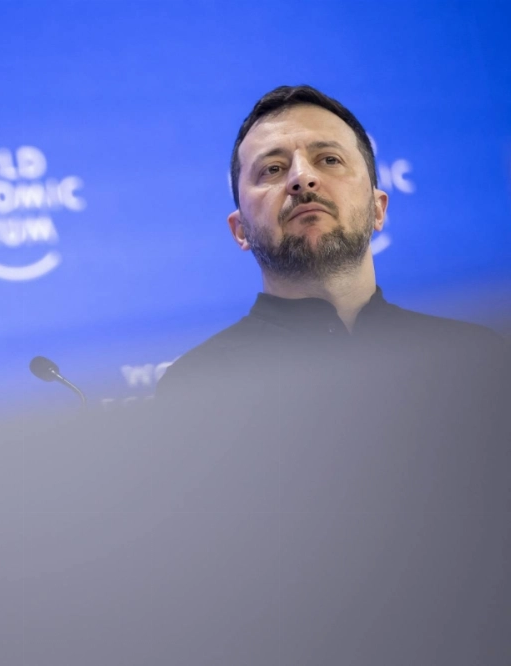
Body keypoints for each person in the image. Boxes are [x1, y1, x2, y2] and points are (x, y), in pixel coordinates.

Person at [150, 85, 510, 663]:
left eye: (328, 160)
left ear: (378, 207)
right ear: (240, 229)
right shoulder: (198, 391)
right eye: (272, 169)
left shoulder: (476, 361)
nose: (301, 178)